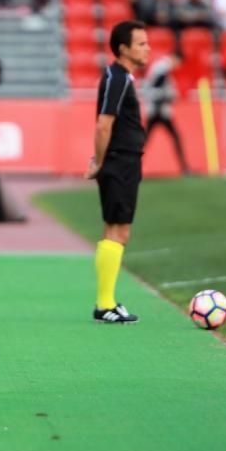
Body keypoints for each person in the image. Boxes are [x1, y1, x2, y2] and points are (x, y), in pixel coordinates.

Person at [84, 21, 151, 324]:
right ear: (123, 48)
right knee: (118, 230)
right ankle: (104, 304)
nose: (147, 48)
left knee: (116, 229)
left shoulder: (121, 77)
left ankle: (106, 301)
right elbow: (104, 123)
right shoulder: (117, 77)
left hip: (123, 160)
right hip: (119, 161)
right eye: (140, 44)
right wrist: (99, 162)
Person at [142, 53, 190, 174]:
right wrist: (169, 95)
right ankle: (184, 168)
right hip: (157, 110)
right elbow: (156, 87)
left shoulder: (161, 68)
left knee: (145, 140)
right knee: (174, 137)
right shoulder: (163, 68)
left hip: (157, 110)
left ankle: (133, 167)